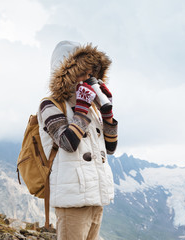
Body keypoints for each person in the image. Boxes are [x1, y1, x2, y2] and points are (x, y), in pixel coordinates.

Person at [37, 40, 118, 240]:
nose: (87, 79)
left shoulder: (91, 107)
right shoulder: (50, 105)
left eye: (91, 74)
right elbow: (68, 143)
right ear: (66, 74)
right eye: (82, 73)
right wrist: (81, 109)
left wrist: (107, 114)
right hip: (72, 200)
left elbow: (111, 148)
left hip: (95, 198)